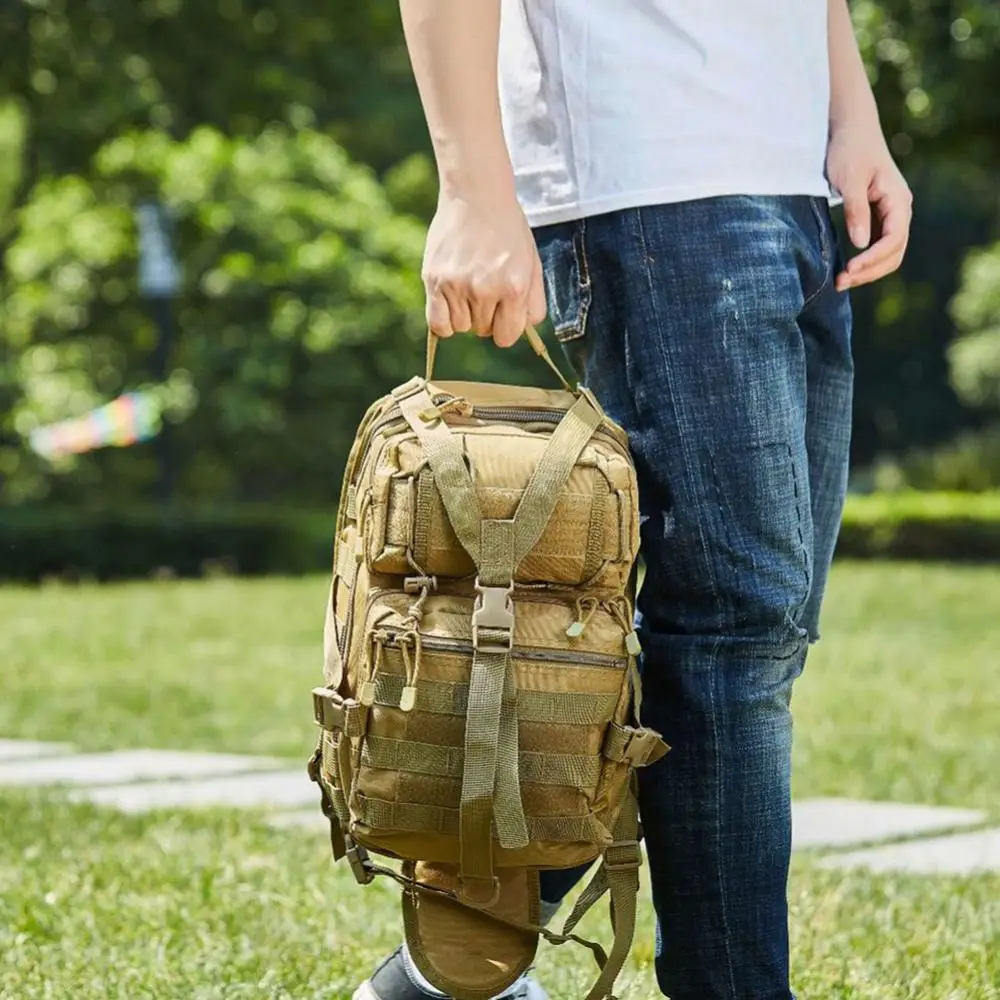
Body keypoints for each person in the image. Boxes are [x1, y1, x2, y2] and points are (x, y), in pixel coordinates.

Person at [355, 1, 912, 998]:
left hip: (794, 181)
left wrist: (849, 113)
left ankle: (442, 975)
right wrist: (474, 190)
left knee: (753, 641)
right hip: (653, 175)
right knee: (728, 642)